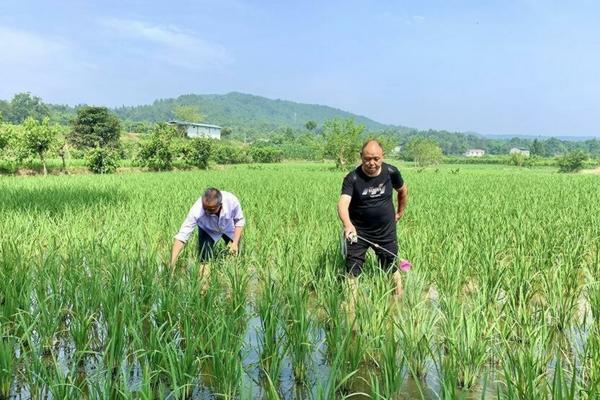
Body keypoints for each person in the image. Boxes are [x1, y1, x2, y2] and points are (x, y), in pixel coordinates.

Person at [337, 140, 408, 296]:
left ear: (383, 156)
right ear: (361, 156)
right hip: (358, 231)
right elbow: (342, 204)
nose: (372, 163)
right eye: (367, 159)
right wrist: (348, 225)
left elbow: (402, 191)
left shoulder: (391, 172)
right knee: (352, 270)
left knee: (391, 267)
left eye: (376, 158)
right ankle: (351, 306)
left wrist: (400, 212)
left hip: (385, 231)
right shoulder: (352, 178)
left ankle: (398, 301)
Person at [171, 188, 245, 268]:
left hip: (228, 228)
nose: (207, 211)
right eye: (205, 208)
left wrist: (235, 243)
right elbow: (182, 235)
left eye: (211, 209)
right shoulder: (196, 210)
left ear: (220, 205)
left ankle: (232, 271)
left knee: (235, 254)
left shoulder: (231, 201)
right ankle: (204, 277)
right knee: (204, 259)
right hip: (208, 230)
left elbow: (239, 221)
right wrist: (172, 263)